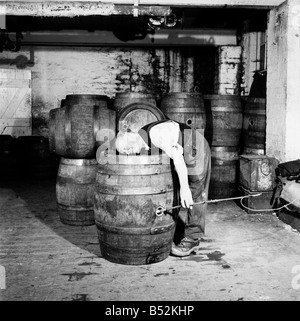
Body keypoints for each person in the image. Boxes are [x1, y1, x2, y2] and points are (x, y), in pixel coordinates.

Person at [115, 119, 211, 257]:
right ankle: (170, 232)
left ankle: (192, 239)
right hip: (183, 147)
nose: (128, 153)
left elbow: (177, 157)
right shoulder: (143, 140)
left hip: (195, 146)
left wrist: (184, 188)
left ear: (133, 137)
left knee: (196, 191)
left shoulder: (156, 134)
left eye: (127, 148)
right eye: (124, 152)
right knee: (173, 187)